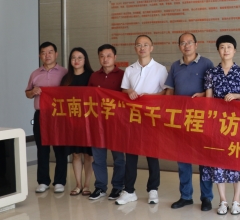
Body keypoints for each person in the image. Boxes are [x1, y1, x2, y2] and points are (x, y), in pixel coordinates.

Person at [115, 35, 168, 206]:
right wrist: (129, 91)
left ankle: (153, 189)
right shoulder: (130, 69)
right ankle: (129, 190)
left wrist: (150, 97)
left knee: (152, 154)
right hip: (132, 118)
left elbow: (166, 92)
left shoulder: (160, 69)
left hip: (151, 118)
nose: (142, 48)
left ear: (151, 48)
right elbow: (123, 90)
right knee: (131, 154)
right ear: (135, 48)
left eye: (145, 45)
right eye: (139, 45)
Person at [164, 33, 215, 212]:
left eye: (189, 42)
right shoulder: (175, 66)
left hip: (202, 120)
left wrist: (202, 95)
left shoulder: (207, 63)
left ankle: (206, 197)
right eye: (183, 43)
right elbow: (170, 91)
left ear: (196, 44)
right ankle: (185, 196)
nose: (186, 46)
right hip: (181, 120)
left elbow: (213, 89)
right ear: (179, 46)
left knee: (204, 159)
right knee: (183, 160)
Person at [202, 35, 240, 215]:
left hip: (237, 122)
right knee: (218, 159)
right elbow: (208, 99)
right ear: (218, 50)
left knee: (237, 158)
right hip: (217, 122)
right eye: (222, 47)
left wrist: (237, 96)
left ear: (235, 50)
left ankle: (236, 200)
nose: (225, 50)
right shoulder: (211, 73)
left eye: (229, 47)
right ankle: (222, 201)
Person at [25, 42, 68, 193]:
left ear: (56, 54)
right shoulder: (35, 74)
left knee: (60, 149)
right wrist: (33, 92)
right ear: (40, 55)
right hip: (41, 115)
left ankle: (60, 181)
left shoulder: (65, 73)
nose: (47, 55)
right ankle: (43, 181)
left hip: (59, 115)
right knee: (42, 148)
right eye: (43, 52)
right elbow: (27, 93)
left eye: (50, 52)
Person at [88, 44, 126, 201]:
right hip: (98, 123)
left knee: (119, 158)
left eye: (109, 56)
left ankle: (118, 186)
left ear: (115, 57)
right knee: (98, 157)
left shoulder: (124, 75)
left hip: (117, 123)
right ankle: (100, 187)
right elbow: (88, 98)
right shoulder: (94, 76)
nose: (105, 59)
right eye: (102, 56)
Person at [60, 47, 94, 196]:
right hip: (72, 122)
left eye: (80, 57)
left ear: (85, 60)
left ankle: (87, 185)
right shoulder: (66, 78)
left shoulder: (91, 76)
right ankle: (78, 184)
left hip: (88, 121)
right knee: (75, 154)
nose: (76, 60)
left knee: (88, 155)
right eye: (73, 58)